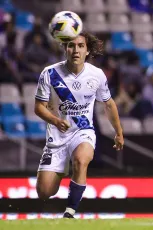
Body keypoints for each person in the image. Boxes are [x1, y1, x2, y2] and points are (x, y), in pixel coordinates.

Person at [34, 32, 124, 218]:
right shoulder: (49, 74)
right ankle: (63, 168)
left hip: (83, 132)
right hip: (57, 136)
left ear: (87, 50)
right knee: (44, 192)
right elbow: (38, 108)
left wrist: (118, 132)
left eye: (80, 46)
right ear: (65, 49)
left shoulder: (96, 74)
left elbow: (108, 104)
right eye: (71, 46)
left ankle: (70, 212)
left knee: (81, 160)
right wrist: (56, 120)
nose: (76, 50)